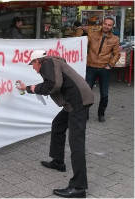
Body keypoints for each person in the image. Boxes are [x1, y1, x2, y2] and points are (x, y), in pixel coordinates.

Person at [16, 50, 94, 198]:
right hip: (75, 101)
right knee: (58, 124)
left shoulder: (48, 63)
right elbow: (50, 83)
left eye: (33, 64)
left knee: (76, 143)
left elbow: (53, 85)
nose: (33, 67)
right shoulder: (52, 63)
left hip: (78, 102)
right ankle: (58, 161)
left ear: (38, 61)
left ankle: (79, 187)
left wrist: (32, 88)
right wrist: (28, 88)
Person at [85, 17, 120, 122]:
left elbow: (116, 54)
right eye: (105, 24)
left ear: (112, 27)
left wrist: (110, 64)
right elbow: (82, 46)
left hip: (104, 69)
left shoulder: (115, 39)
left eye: (109, 25)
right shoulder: (92, 34)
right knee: (86, 92)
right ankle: (84, 113)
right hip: (90, 67)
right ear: (102, 24)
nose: (106, 26)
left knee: (104, 94)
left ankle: (101, 114)